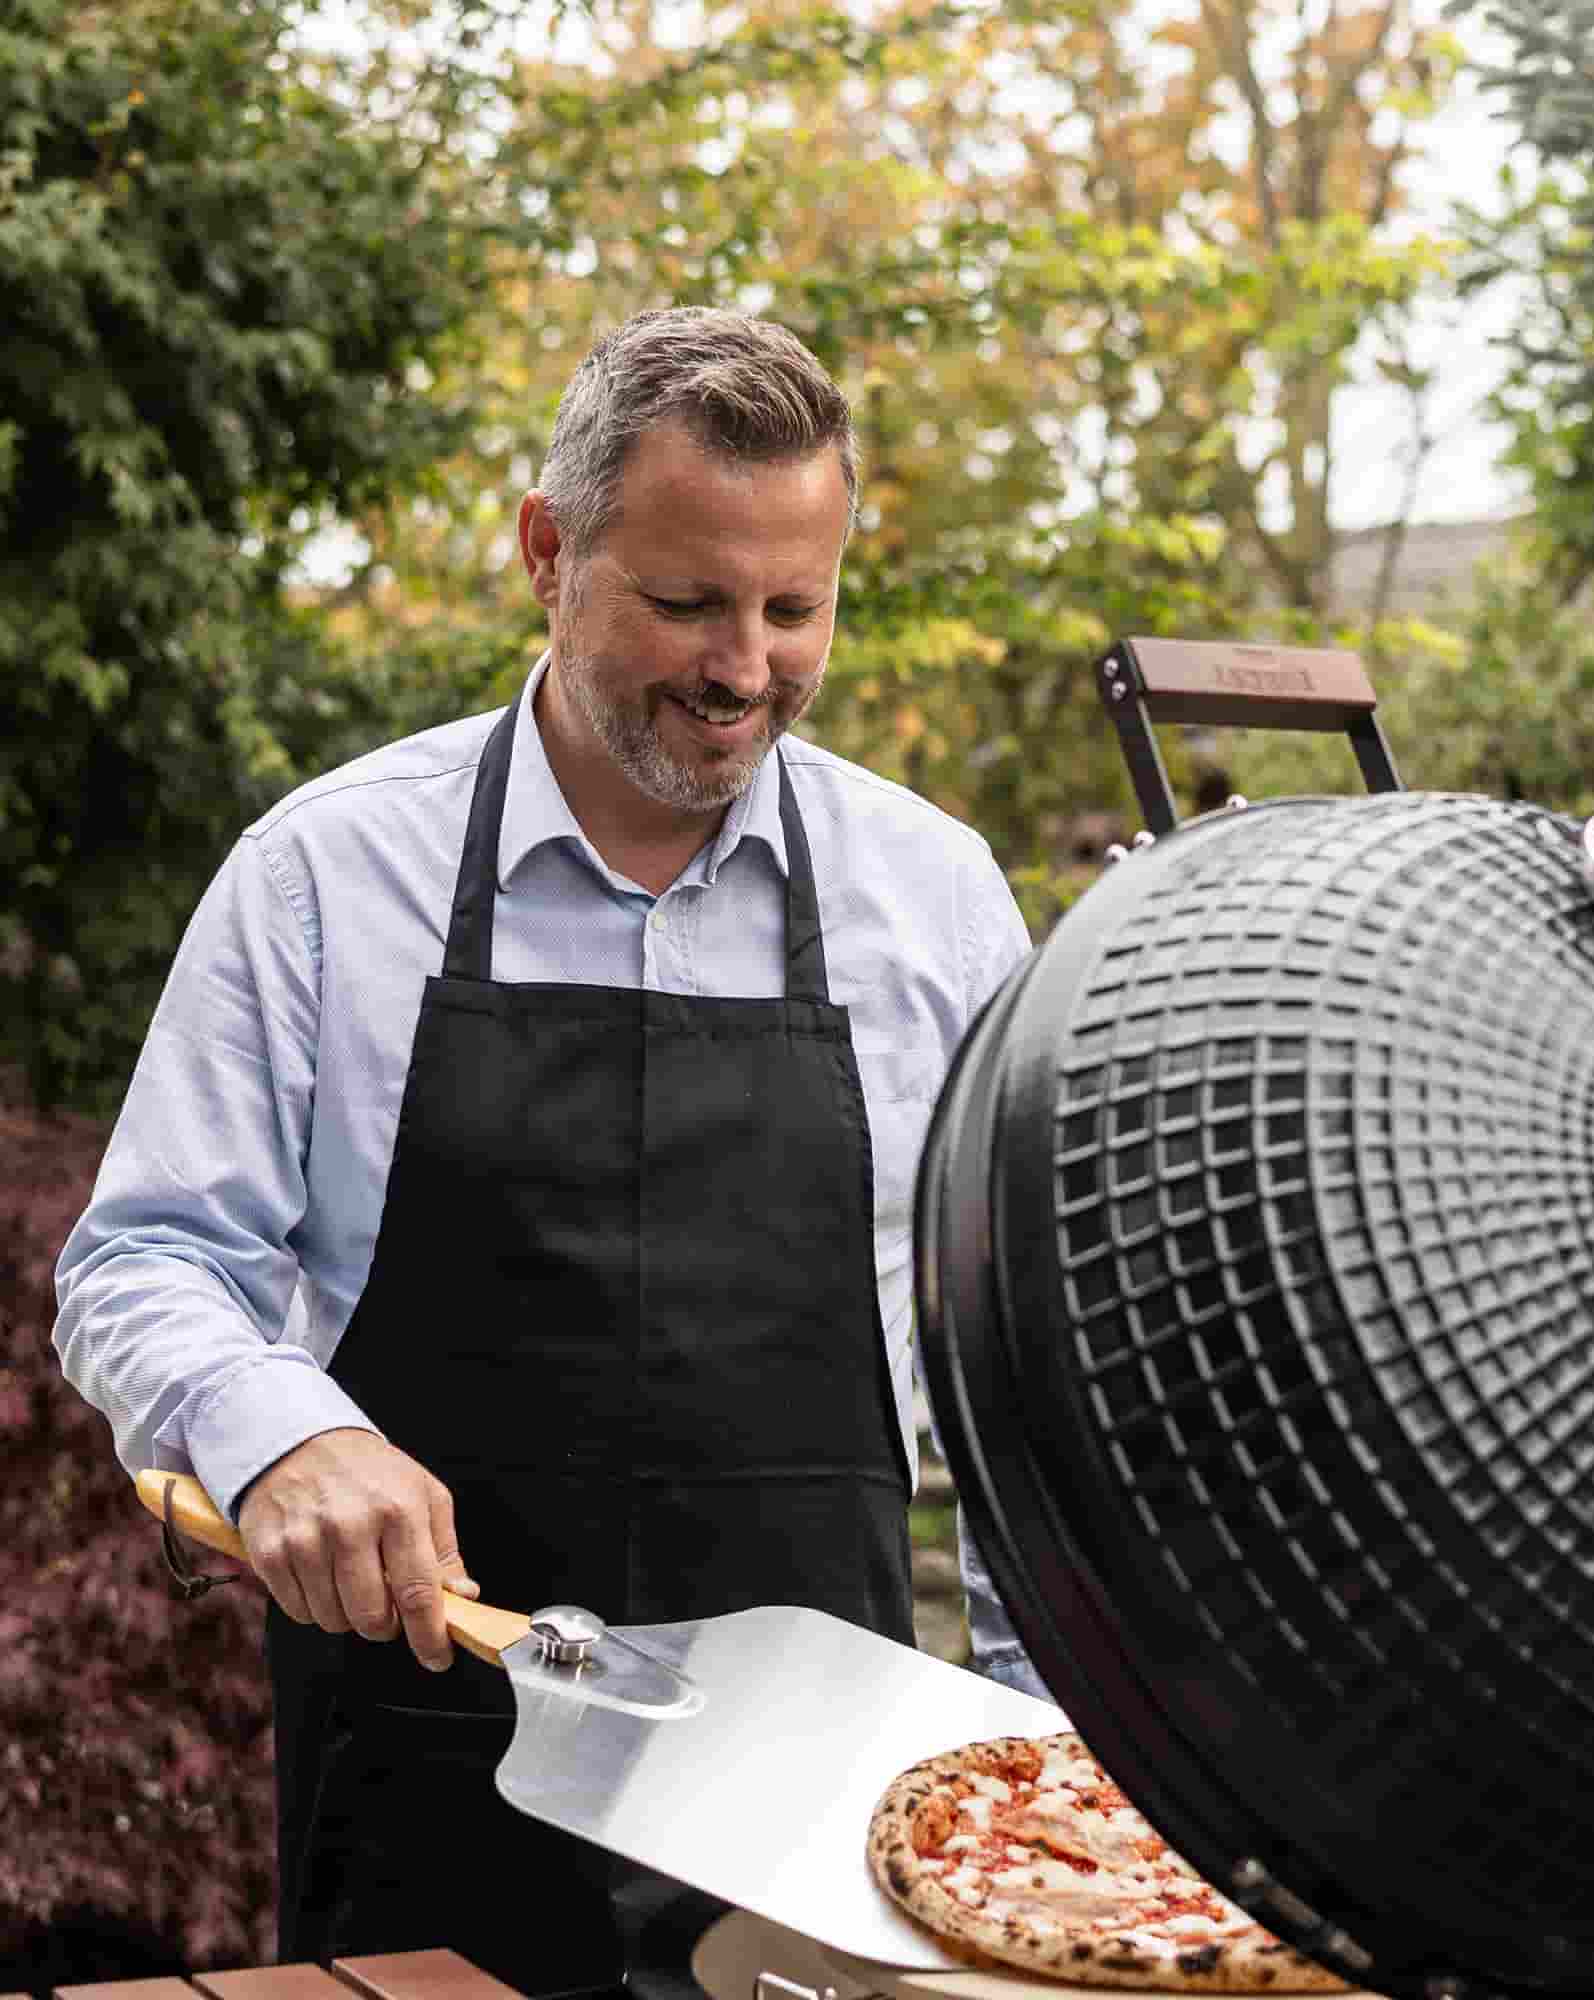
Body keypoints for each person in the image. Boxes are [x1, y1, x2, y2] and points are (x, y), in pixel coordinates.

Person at [53, 306, 1038, 1999]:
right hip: (425, 1778)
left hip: (822, 1823)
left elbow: (1027, 1359)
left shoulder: (934, 900)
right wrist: (279, 1435)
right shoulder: (321, 879)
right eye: (684, 603)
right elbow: (142, 1260)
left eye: (795, 609)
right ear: (546, 551)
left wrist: (1062, 1739)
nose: (745, 667)